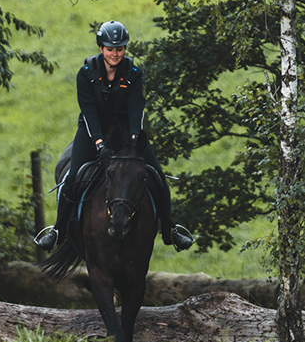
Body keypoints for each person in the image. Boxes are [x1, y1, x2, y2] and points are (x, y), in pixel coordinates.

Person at [35, 20, 195, 252]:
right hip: (92, 130)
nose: (115, 53)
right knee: (71, 178)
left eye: (119, 49)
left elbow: (136, 111)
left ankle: (171, 231)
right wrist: (99, 144)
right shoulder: (86, 74)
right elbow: (89, 112)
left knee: (158, 176)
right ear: (101, 48)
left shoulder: (134, 74)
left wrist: (132, 140)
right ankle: (58, 231)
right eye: (110, 48)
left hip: (125, 131)